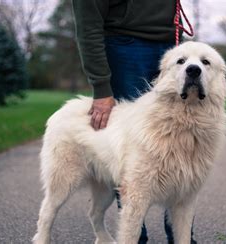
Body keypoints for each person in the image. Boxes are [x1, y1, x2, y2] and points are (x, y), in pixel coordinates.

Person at [72, 0, 196, 243]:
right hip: (126, 44)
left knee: (184, 148)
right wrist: (101, 87)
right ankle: (134, 238)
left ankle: (181, 238)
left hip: (173, 40)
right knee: (133, 152)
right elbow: (88, 19)